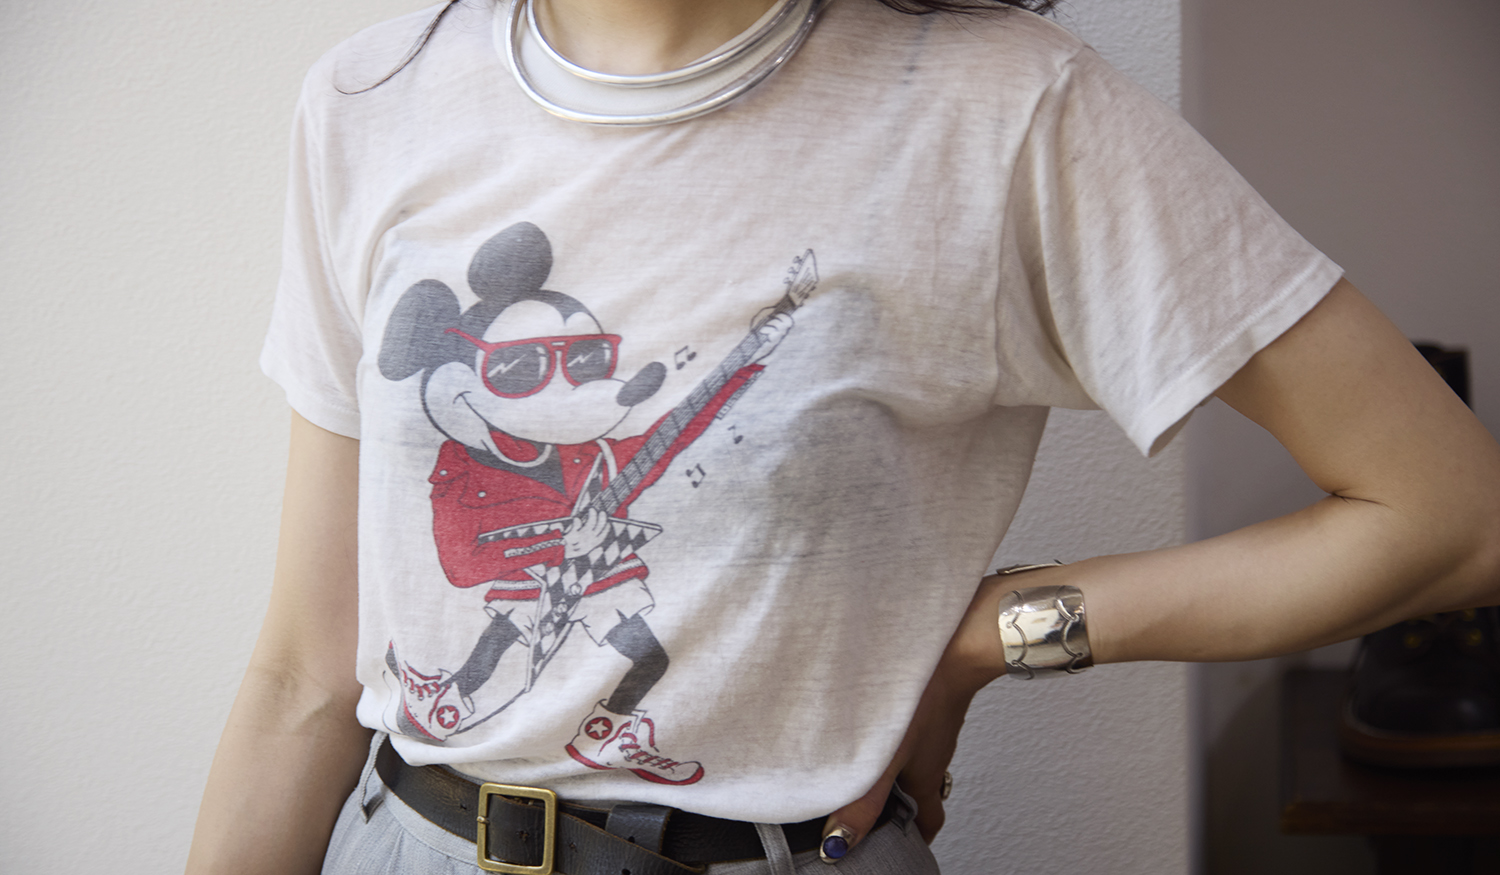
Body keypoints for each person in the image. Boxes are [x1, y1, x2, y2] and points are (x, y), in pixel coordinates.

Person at [185, 0, 1500, 873]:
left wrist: (990, 635)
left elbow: (1454, 514)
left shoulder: (1002, 111)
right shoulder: (374, 97)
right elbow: (304, 677)